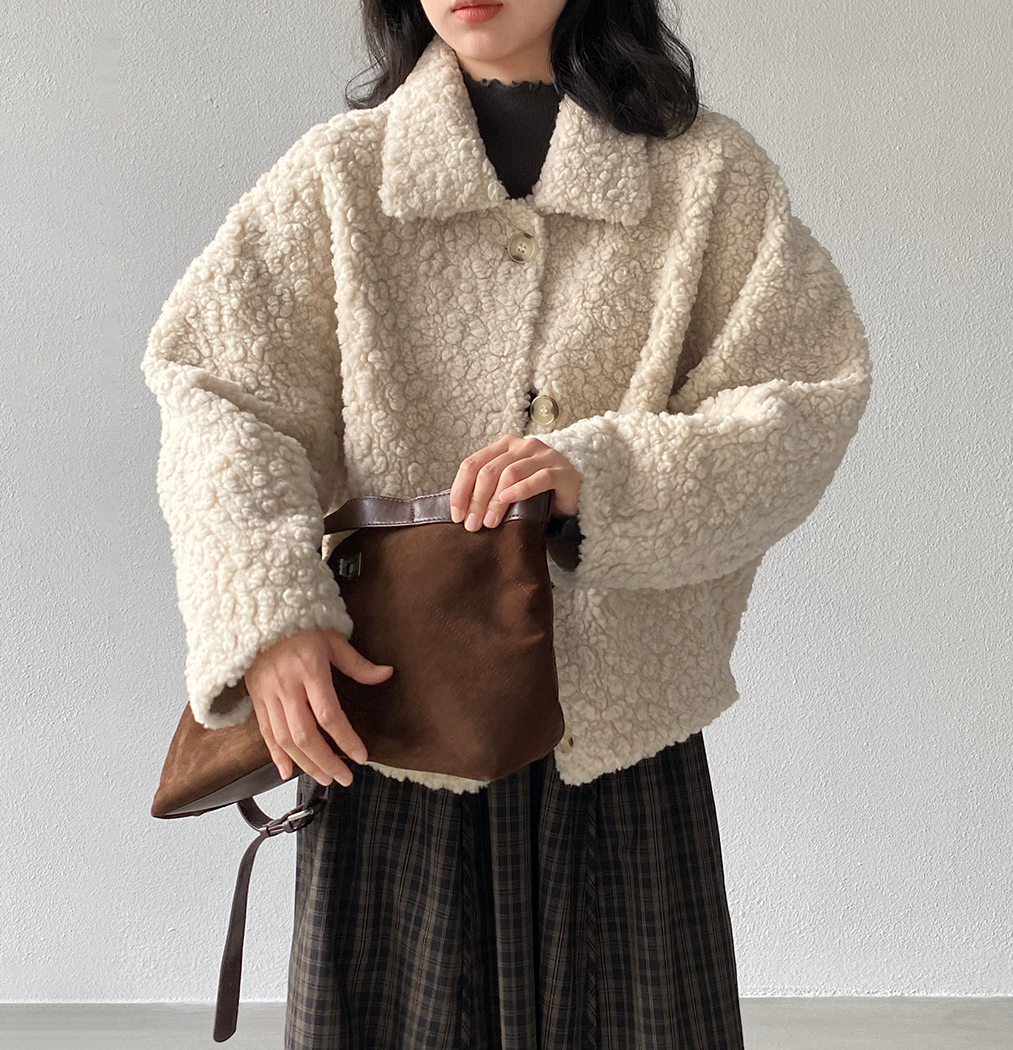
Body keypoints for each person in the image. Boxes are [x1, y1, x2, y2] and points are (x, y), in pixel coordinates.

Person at [140, 1, 872, 1047]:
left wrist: (603, 475)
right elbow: (217, 392)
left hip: (613, 744)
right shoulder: (341, 178)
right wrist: (270, 613)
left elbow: (803, 402)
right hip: (392, 731)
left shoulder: (708, 179)